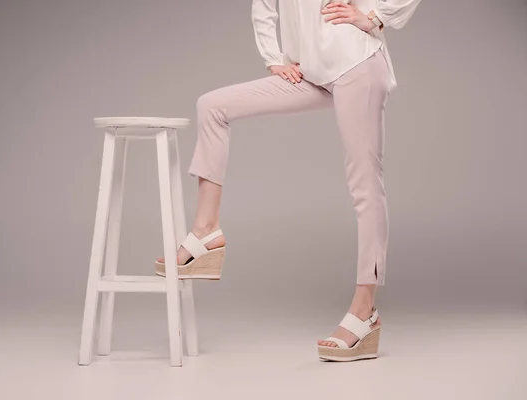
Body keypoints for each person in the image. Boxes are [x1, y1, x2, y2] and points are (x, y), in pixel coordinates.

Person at [155, 0, 422, 362]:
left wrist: (374, 17)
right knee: (212, 106)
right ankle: (206, 232)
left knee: (365, 187)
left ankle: (364, 312)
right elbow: (264, 6)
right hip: (309, 72)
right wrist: (273, 57)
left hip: (356, 64)